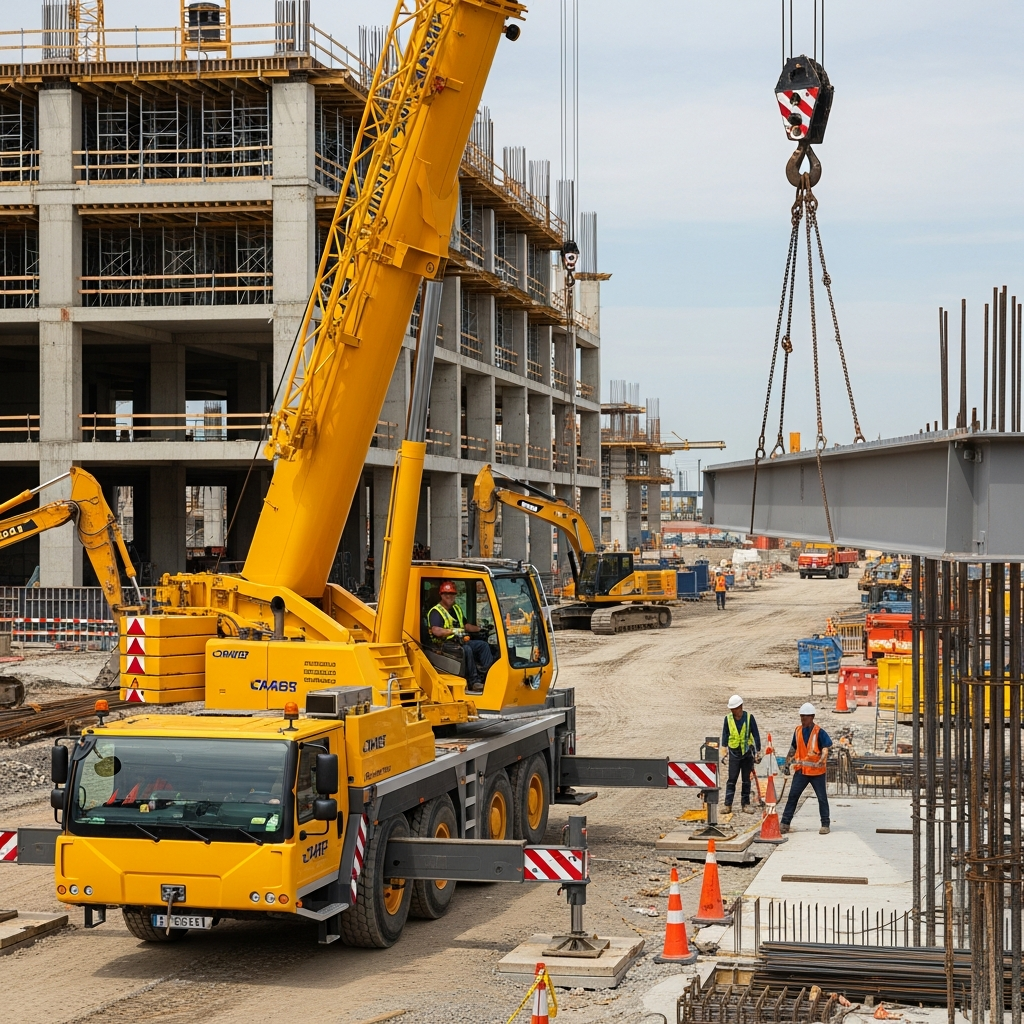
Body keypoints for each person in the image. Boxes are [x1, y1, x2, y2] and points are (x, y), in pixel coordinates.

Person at [427, 581, 494, 692]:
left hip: (460, 641)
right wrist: (453, 631)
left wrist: (481, 628)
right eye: (446, 594)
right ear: (441, 595)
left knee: (483, 645)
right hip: (444, 644)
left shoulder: (456, 608)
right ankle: (474, 681)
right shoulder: (436, 612)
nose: (450, 596)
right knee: (466, 650)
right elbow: (436, 631)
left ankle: (488, 676)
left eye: (452, 594)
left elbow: (466, 626)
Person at [780, 702, 832, 835]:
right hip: (801, 771)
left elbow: (826, 748)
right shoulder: (797, 731)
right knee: (793, 796)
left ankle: (825, 824)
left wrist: (823, 758)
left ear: (812, 717)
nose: (803, 719)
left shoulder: (819, 732)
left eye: (805, 717)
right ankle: (785, 823)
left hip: (817, 772)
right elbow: (793, 748)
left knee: (822, 798)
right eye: (801, 716)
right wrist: (787, 763)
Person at [721, 694, 762, 814]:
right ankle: (728, 805)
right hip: (734, 753)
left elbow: (756, 735)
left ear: (740, 707)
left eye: (735, 709)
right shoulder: (728, 719)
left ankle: (746, 804)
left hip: (746, 754)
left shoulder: (749, 718)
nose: (733, 711)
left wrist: (757, 751)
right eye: (732, 709)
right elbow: (725, 734)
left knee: (746, 781)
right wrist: (724, 750)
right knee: (731, 780)